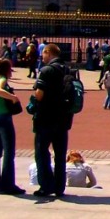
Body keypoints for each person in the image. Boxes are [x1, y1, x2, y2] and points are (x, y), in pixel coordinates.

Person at [31, 43, 72, 198]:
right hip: (63, 118)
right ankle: (59, 186)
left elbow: (39, 94)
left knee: (42, 152)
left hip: (46, 117)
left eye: (43, 53)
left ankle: (46, 186)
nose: (42, 56)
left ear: (48, 52)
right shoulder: (67, 69)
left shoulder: (46, 70)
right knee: (60, 155)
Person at [0, 59, 26, 195]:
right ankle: (8, 185)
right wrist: (13, 98)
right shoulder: (1, 79)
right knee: (9, 153)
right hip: (4, 119)